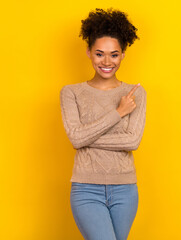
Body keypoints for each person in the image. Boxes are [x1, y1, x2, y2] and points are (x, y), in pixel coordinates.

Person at [59, 8, 146, 240]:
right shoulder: (71, 93)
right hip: (86, 188)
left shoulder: (135, 93)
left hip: (125, 189)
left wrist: (87, 138)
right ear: (88, 52)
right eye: (99, 54)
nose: (107, 61)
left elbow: (132, 141)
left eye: (114, 54)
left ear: (123, 55)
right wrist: (118, 112)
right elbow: (76, 139)